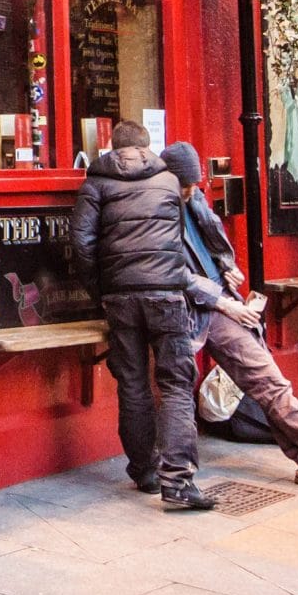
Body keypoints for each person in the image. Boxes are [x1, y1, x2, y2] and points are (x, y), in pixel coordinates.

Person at [164, 143, 298, 498]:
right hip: (197, 310)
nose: (191, 191)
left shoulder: (194, 200)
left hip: (222, 303)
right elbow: (169, 269)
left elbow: (213, 242)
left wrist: (226, 266)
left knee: (268, 383)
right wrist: (223, 301)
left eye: (195, 184)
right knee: (267, 383)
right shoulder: (157, 208)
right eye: (184, 184)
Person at [74, 121, 212, 509]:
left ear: (110, 149)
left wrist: (100, 290)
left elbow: (82, 244)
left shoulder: (95, 183)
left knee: (132, 384)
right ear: (148, 147)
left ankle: (145, 472)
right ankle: (179, 482)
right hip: (166, 293)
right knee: (175, 384)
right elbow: (178, 239)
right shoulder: (169, 182)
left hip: (120, 296)